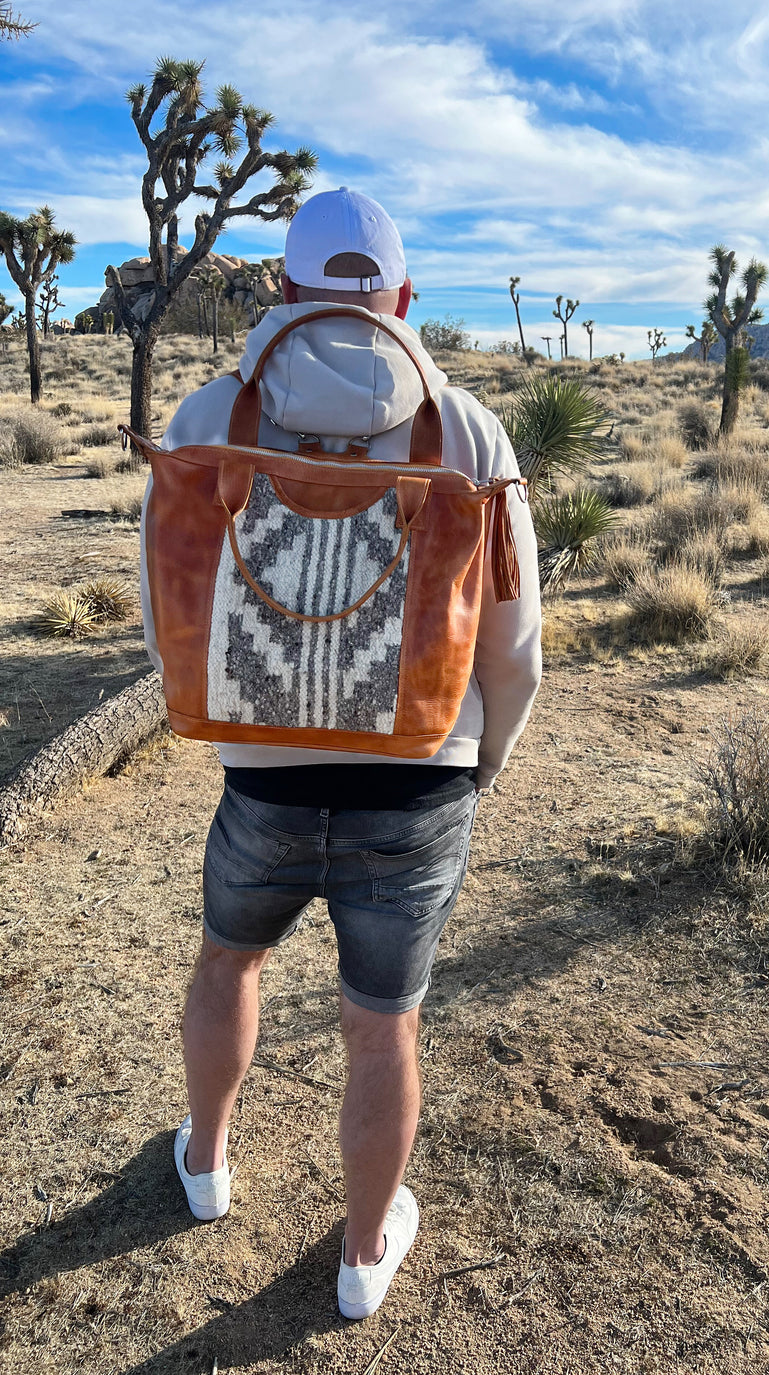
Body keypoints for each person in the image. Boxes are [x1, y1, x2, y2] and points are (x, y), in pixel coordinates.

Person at [139, 188, 541, 1319]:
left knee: (228, 959)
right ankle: (364, 1255)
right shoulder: (464, 430)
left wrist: (229, 720)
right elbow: (513, 648)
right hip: (417, 774)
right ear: (402, 297)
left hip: (260, 769)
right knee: (383, 1023)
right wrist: (482, 757)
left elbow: (164, 602)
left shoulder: (211, 410)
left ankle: (206, 1161)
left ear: (280, 289)